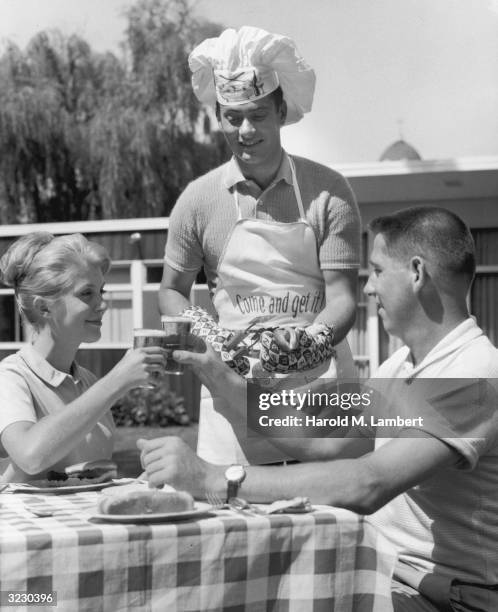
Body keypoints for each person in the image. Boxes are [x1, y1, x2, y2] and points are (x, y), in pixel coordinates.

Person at [141, 207, 498, 611]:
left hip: (447, 598)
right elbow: (323, 441)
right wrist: (220, 377)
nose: (367, 289)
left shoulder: (476, 375)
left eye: (378, 271)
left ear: (416, 273)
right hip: (390, 577)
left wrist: (212, 477)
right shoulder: (400, 367)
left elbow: (367, 484)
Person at [158, 26, 361, 465]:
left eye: (257, 115)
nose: (245, 130)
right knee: (233, 510)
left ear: (281, 110)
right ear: (218, 116)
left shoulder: (330, 192)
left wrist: (310, 341)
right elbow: (171, 290)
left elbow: (344, 296)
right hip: (234, 387)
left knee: (331, 514)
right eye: (233, 117)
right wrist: (211, 339)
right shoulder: (198, 199)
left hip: (319, 382)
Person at [0, 232, 166, 483]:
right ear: (44, 307)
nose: (102, 304)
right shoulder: (11, 377)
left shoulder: (87, 382)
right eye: (86, 293)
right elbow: (30, 455)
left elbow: (89, 476)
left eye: (101, 291)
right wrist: (117, 381)